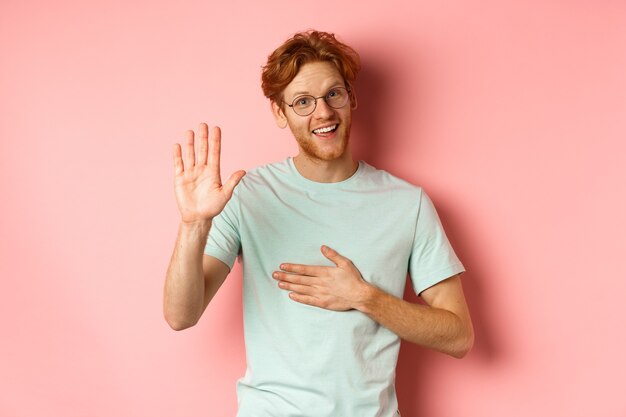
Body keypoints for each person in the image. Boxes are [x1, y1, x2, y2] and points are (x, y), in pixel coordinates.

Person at [164, 30, 474, 417]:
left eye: (333, 94)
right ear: (280, 112)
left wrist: (365, 297)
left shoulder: (407, 204)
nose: (323, 113)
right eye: (303, 102)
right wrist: (194, 225)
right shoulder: (248, 196)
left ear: (351, 97)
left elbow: (458, 336)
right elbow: (181, 315)